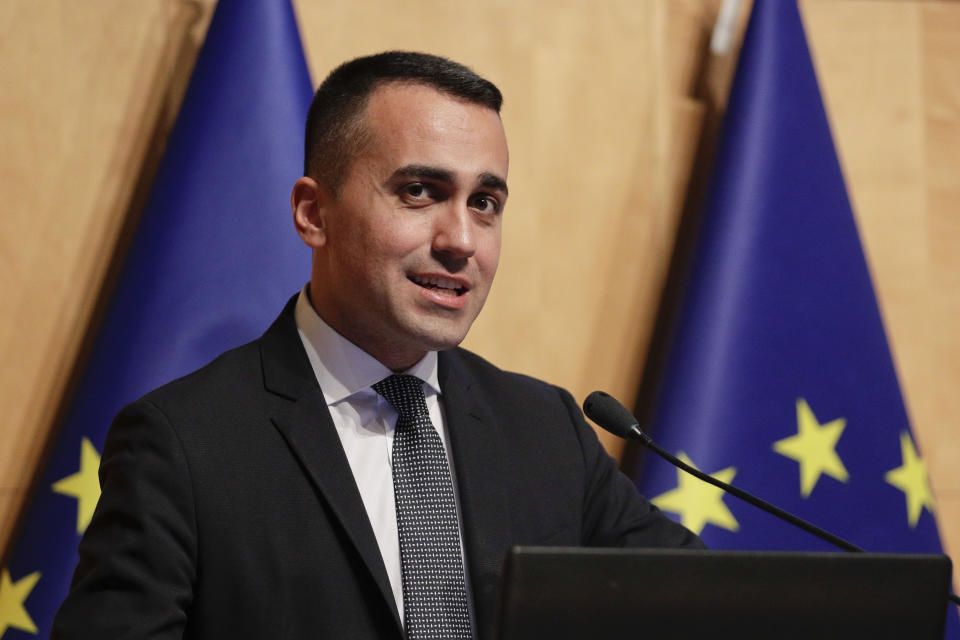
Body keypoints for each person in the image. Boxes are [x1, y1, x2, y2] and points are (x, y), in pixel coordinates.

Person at [52, 51, 701, 640]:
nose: (462, 241)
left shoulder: (545, 431)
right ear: (314, 213)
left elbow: (710, 606)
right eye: (421, 192)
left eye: (485, 203)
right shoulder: (184, 443)